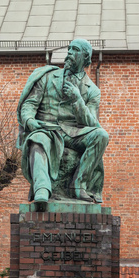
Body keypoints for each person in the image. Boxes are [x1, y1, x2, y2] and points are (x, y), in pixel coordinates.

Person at [16, 39, 109, 204]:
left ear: (85, 57)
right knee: (37, 140)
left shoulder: (92, 90)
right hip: (48, 129)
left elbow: (91, 122)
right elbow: (29, 104)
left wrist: (77, 99)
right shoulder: (48, 77)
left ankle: (79, 185)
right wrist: (30, 121)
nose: (70, 53)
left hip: (74, 133)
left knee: (101, 135)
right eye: (70, 49)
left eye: (75, 50)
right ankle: (42, 190)